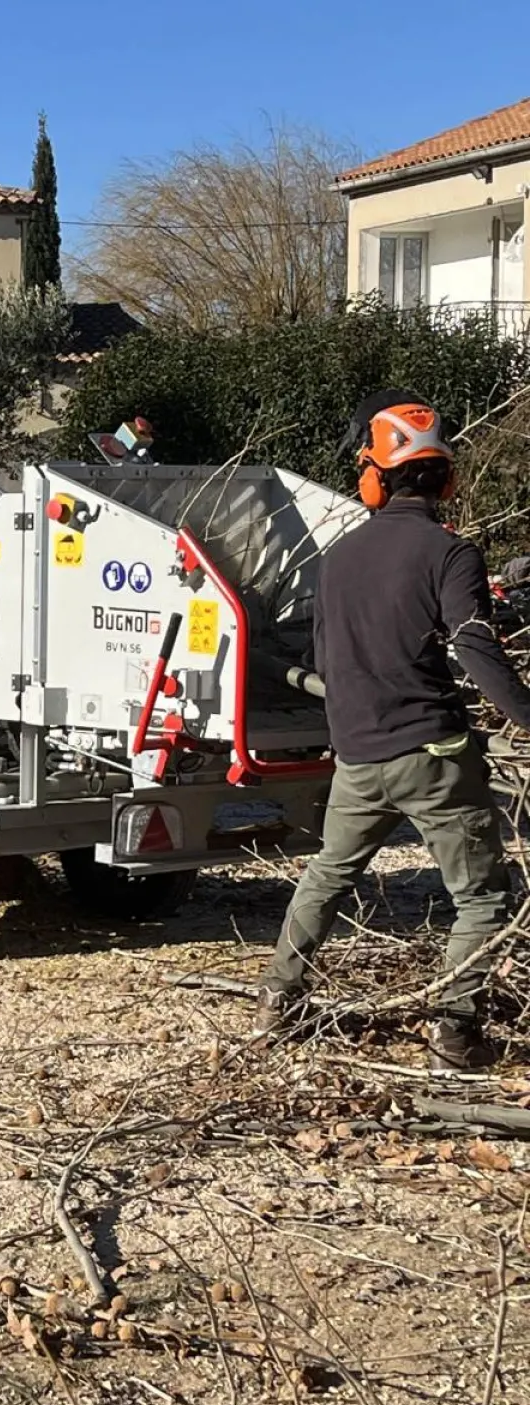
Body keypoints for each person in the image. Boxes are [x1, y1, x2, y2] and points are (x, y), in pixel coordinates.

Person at [257, 390, 530, 1071]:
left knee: (326, 875)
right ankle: (456, 1034)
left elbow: (323, 657)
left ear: (374, 477)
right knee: (483, 898)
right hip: (431, 754)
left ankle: (276, 1001)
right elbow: (474, 645)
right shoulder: (450, 552)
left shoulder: (339, 558)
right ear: (448, 479)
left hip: (357, 755)